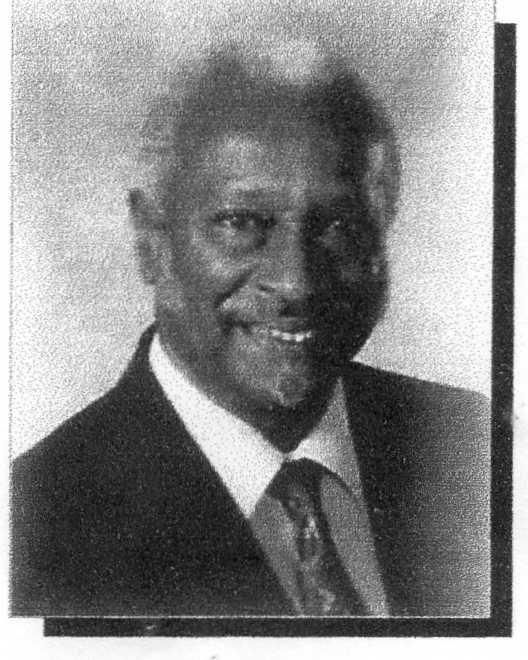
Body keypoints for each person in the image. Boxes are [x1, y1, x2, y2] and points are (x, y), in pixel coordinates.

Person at [10, 45, 490, 619]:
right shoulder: (34, 526)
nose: (296, 282)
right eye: (241, 222)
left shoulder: (477, 448)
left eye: (339, 224)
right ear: (152, 240)